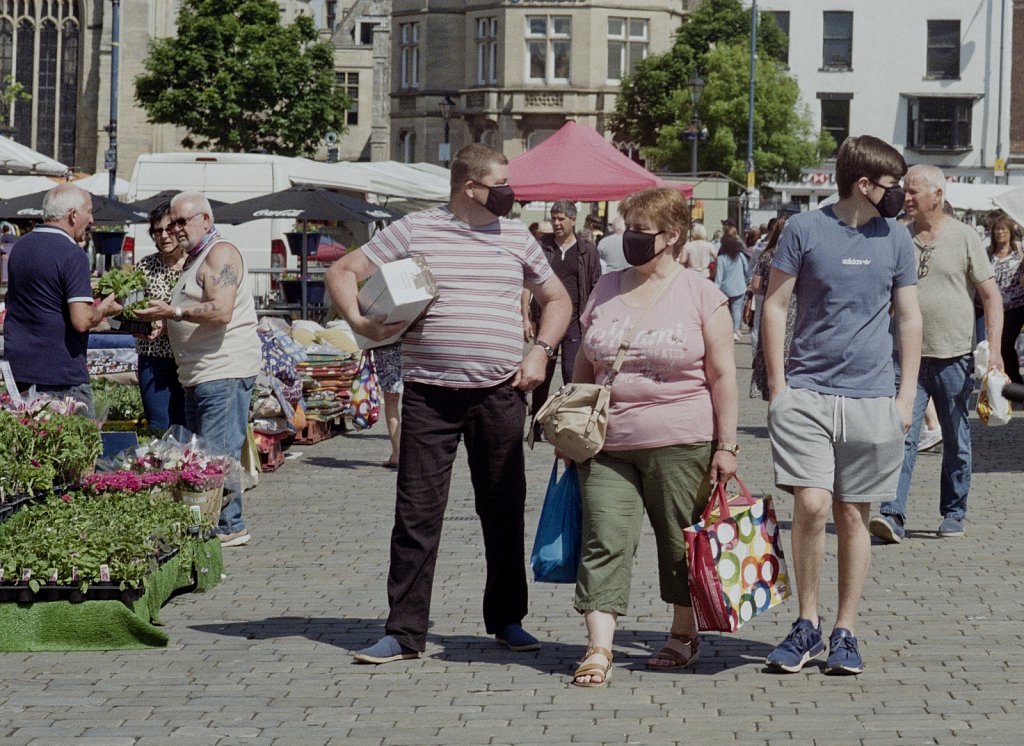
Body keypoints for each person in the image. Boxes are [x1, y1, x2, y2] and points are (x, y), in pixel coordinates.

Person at [325, 143, 571, 664]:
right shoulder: (416, 230)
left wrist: (542, 353)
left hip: (499, 393)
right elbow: (342, 271)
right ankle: (404, 632)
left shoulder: (517, 237)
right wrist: (363, 324)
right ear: (470, 187)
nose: (510, 193)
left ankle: (507, 620)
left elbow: (558, 300)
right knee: (416, 515)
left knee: (502, 509)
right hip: (429, 397)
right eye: (500, 184)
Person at [762, 135, 922, 675]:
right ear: (863, 184)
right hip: (807, 393)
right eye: (891, 184)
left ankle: (844, 629)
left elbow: (908, 318)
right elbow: (776, 306)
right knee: (810, 504)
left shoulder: (897, 239)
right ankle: (806, 623)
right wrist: (780, 389)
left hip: (872, 397)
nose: (898, 193)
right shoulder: (805, 230)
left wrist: (905, 397)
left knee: (853, 515)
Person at [569, 186, 738, 687]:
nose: (630, 240)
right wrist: (570, 424)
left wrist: (726, 445)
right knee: (603, 539)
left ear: (672, 236)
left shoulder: (701, 294)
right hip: (606, 444)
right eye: (627, 230)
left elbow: (722, 375)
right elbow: (584, 362)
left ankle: (682, 635)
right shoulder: (606, 287)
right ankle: (599, 648)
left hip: (680, 438)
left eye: (640, 232)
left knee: (678, 544)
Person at [869, 165, 1003, 545]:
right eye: (905, 192)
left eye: (913, 192)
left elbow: (991, 297)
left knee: (957, 438)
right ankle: (892, 515)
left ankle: (954, 511)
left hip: (954, 356)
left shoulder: (964, 237)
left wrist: (994, 352)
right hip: (905, 359)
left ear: (937, 196)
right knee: (899, 435)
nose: (905, 198)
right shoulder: (897, 236)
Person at [135, 191, 262, 548]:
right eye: (171, 222)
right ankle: (214, 521)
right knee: (207, 453)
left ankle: (228, 525)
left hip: (222, 369)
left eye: (182, 221)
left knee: (217, 453)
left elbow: (220, 311)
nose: (175, 229)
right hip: (199, 372)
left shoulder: (220, 253)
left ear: (205, 220)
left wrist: (173, 313)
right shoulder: (196, 258)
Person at [3, 183, 121, 415]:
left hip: (20, 367)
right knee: (79, 448)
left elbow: (12, 301)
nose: (92, 221)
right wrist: (104, 309)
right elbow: (82, 320)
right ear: (73, 214)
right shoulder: (72, 253)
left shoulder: (20, 247)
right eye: (89, 211)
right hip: (61, 374)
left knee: (32, 447)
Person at [528, 199, 601, 439]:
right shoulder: (542, 247)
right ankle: (536, 423)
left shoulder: (587, 250)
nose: (556, 223)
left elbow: (594, 286)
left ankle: (570, 423)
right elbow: (528, 283)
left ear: (573, 220)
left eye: (561, 219)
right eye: (553, 218)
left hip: (575, 322)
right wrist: (526, 317)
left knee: (572, 373)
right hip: (548, 320)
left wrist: (592, 319)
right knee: (544, 373)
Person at [134, 203, 187, 430]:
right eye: (158, 231)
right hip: (153, 356)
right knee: (158, 424)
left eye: (169, 229)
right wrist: (139, 325)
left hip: (188, 356)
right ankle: (160, 465)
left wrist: (170, 325)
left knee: (186, 424)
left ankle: (188, 466)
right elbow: (128, 310)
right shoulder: (145, 266)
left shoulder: (196, 265)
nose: (164, 236)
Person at [748, 215, 790, 399]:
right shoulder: (799, 255)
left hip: (772, 307)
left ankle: (774, 402)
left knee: (772, 356)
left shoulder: (767, 255)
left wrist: (770, 287)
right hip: (796, 311)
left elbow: (756, 285)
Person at [986, 214, 1024, 384]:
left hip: (1017, 305)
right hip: (996, 307)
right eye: (997, 229)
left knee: (1005, 342)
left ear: (1010, 232)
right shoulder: (989, 253)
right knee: (997, 345)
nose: (1000, 232)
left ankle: (1015, 381)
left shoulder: (1018, 251)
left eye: (1003, 229)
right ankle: (1005, 380)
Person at [714, 230, 749, 340]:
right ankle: (736, 330)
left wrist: (715, 289)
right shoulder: (739, 256)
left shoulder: (721, 258)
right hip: (740, 286)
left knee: (726, 311)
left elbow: (719, 276)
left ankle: (728, 330)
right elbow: (747, 269)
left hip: (725, 288)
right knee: (737, 310)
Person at [374, 341, 403, 468]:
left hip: (385, 344)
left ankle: (397, 453)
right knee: (417, 397)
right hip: (411, 343)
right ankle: (419, 453)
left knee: (391, 401)